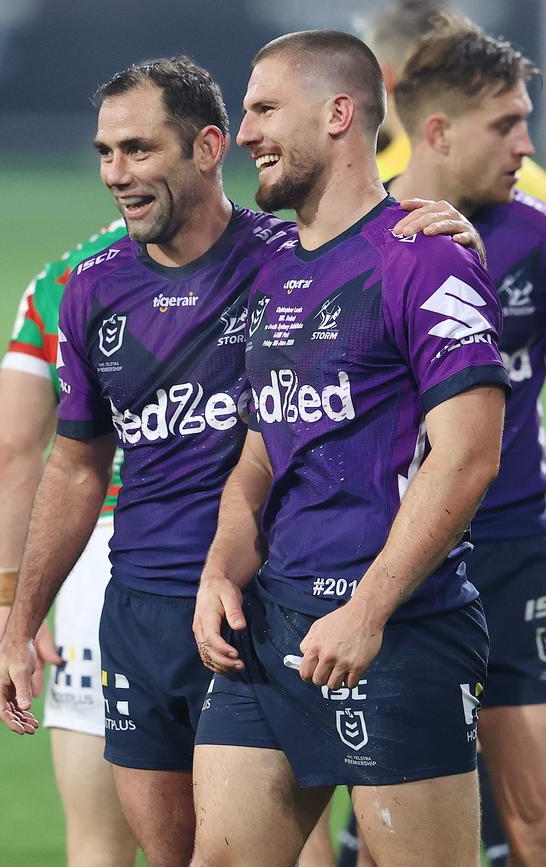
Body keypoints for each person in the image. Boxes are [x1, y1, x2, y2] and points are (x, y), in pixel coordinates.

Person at [0, 55, 486, 867]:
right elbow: (78, 465)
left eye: (139, 149)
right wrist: (17, 615)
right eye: (105, 153)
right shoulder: (89, 290)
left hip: (295, 610)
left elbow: (377, 242)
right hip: (154, 610)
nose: (117, 172)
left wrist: (453, 229)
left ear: (207, 146)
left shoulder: (291, 256)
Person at [191, 30, 510, 867]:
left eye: (263, 108)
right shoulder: (269, 270)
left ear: (338, 114)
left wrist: (367, 611)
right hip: (270, 626)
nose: (247, 130)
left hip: (398, 632)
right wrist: (222, 566)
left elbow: (469, 455)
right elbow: (262, 451)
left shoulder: (426, 258)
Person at [389, 18, 546, 865]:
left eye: (526, 120)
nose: (526, 142)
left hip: (513, 543)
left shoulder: (537, 234)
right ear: (439, 131)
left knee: (538, 817)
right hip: (392, 559)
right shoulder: (360, 240)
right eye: (507, 125)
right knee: (392, 833)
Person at [0, 221, 138, 867]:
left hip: (87, 568)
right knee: (268, 838)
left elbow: (16, 451)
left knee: (98, 841)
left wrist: (11, 606)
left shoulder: (60, 281)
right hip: (225, 550)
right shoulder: (259, 257)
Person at [363, 0, 546, 202]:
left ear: (381, 77)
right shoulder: (535, 183)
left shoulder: (366, 186)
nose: (526, 147)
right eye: (504, 125)